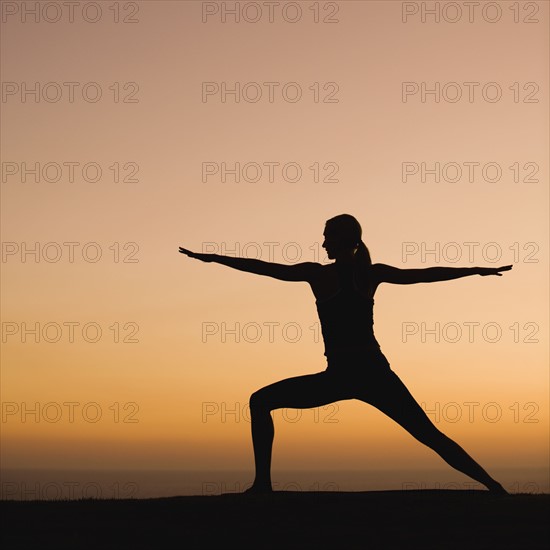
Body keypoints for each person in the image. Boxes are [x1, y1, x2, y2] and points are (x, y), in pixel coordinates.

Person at [179, 214, 511, 494]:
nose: (323, 244)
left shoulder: (330, 273)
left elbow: (425, 275)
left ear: (345, 240)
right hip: (357, 373)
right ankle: (494, 487)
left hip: (359, 374)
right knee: (429, 436)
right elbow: (264, 268)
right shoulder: (364, 273)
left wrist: (474, 270)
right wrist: (475, 270)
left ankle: (494, 487)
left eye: (328, 237)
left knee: (429, 435)